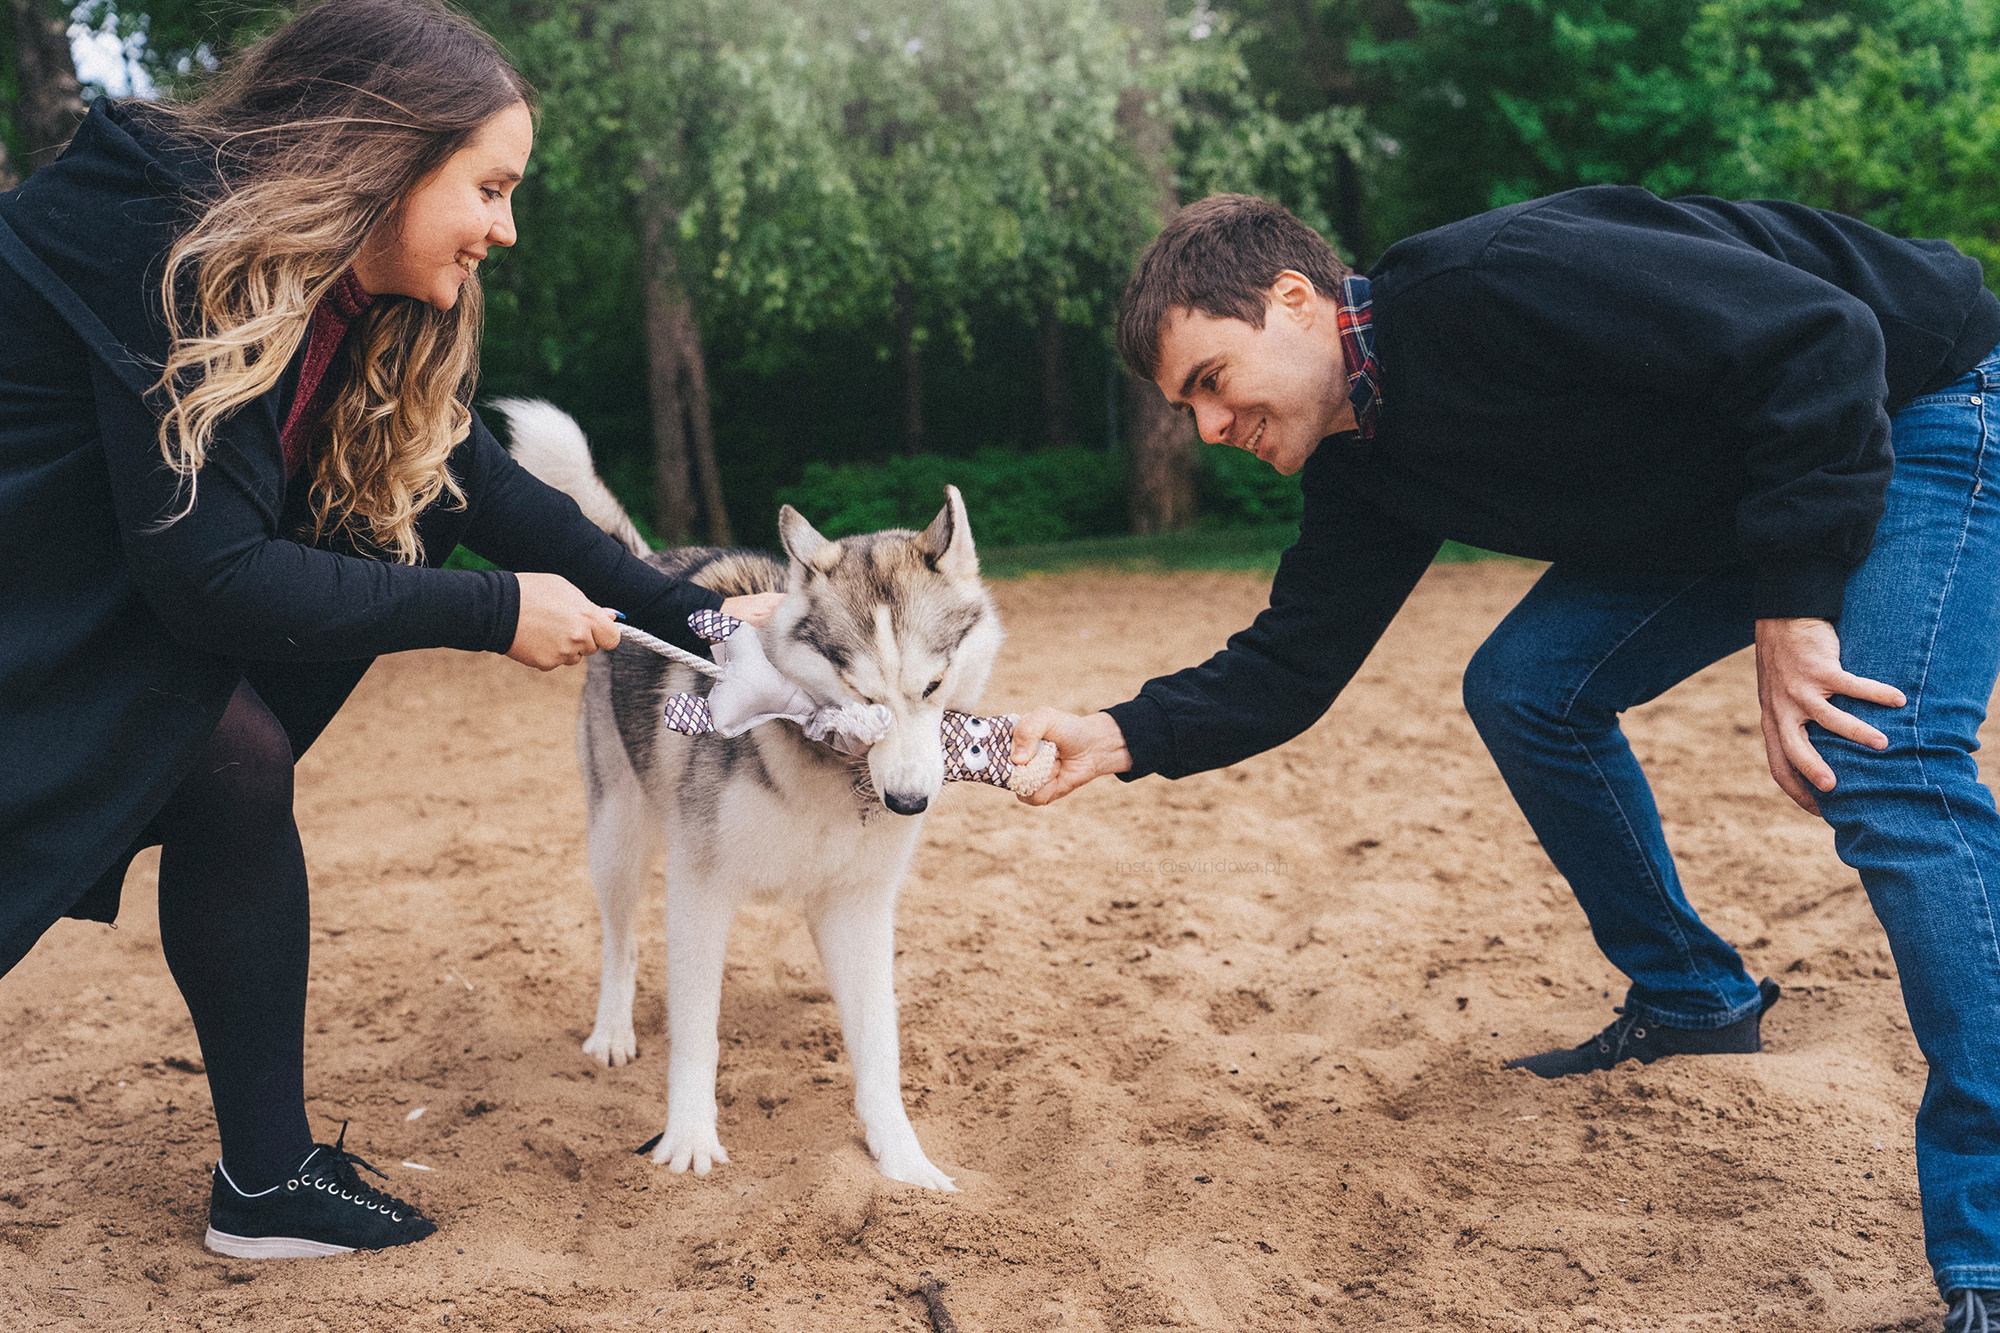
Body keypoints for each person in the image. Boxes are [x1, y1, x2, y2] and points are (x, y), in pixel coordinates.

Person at [1009, 190, 2000, 1322]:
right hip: (1745, 483)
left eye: (1209, 381)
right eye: (1184, 404)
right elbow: (1290, 664)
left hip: (1922, 396)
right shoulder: (1365, 459)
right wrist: (1121, 731)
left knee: (1886, 761)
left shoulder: (1496, 281)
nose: (1205, 426)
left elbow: (1822, 339)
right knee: (1526, 687)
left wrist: (1795, 599)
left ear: (1294, 302)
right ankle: (1691, 1000)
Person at [0, 0, 781, 1259]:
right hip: (30, 607)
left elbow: (500, 498)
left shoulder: (357, 307)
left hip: (94, 606)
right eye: (488, 185)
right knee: (229, 755)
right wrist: (493, 613)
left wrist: (705, 617)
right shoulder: (163, 247)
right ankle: (263, 1182)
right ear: (386, 155)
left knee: (235, 763)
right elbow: (210, 580)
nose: (503, 227)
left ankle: (263, 1181)